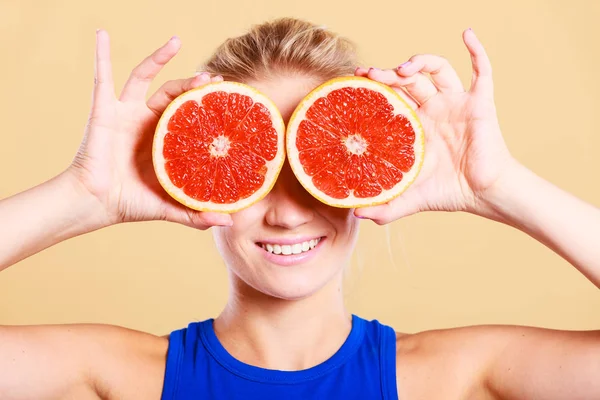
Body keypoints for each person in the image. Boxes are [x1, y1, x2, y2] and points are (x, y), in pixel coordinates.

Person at [0, 17, 598, 400]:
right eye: (254, 172)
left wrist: (497, 185)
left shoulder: (447, 377)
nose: (287, 213)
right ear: (203, 182)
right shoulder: (123, 376)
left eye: (316, 170)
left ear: (362, 182)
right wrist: (85, 194)